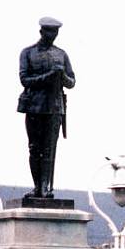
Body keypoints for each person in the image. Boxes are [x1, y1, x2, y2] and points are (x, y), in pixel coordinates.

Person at [18, 16, 76, 199]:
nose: (53, 35)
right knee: (35, 148)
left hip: (55, 107)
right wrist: (49, 76)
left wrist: (62, 76)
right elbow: (24, 79)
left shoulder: (62, 54)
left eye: (56, 32)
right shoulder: (28, 53)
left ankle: (45, 187)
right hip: (34, 106)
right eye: (50, 31)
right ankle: (37, 187)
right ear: (42, 31)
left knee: (50, 148)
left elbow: (71, 82)